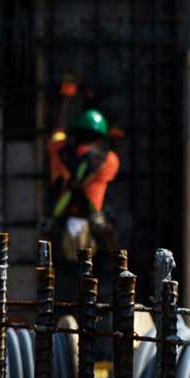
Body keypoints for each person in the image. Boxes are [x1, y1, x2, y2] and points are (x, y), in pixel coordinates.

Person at [45, 110, 121, 267]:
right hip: (94, 227)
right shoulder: (109, 160)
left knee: (54, 274)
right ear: (101, 137)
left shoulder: (57, 150)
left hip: (60, 222)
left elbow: (57, 134)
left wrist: (66, 98)